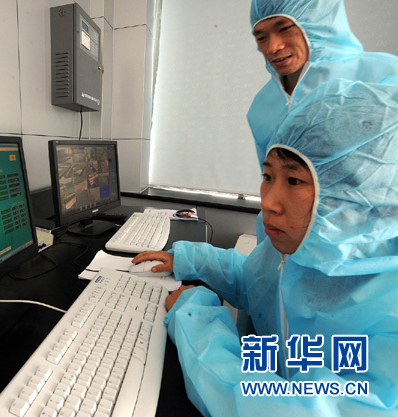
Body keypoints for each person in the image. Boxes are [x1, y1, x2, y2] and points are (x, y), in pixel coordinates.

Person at [132, 80, 398, 415]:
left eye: (294, 180)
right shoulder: (303, 248)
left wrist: (194, 319)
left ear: (360, 197)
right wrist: (191, 258)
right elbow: (257, 282)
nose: (268, 202)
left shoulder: (389, 322)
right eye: (268, 176)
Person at [248, 0, 398, 166]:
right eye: (261, 37)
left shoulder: (387, 73)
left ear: (318, 22)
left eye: (284, 29)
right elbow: (270, 173)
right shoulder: (261, 107)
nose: (272, 47)